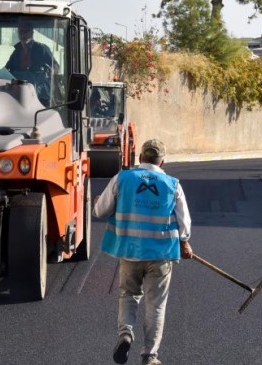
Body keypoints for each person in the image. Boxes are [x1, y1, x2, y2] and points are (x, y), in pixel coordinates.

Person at [93, 139, 193, 365]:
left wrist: (98, 201)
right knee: (156, 304)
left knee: (128, 294)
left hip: (130, 252)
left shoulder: (123, 178)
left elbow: (100, 211)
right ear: (163, 162)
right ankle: (149, 355)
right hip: (161, 255)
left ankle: (125, 333)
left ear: (140, 158)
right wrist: (184, 243)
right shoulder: (172, 184)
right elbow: (184, 222)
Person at [5, 20, 56, 106]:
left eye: (26, 31)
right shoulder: (16, 52)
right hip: (19, 94)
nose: (23, 34)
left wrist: (52, 71)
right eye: (21, 31)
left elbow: (55, 65)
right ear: (18, 33)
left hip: (40, 95)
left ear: (32, 33)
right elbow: (7, 70)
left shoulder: (42, 49)